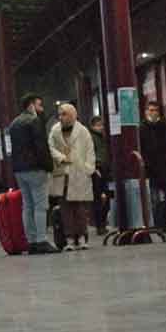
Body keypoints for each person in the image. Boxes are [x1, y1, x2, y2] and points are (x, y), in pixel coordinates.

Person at [8, 93, 59, 255]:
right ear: (31, 105)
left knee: (27, 206)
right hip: (36, 169)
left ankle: (31, 241)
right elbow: (40, 147)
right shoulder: (34, 121)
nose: (41, 108)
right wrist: (48, 166)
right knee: (40, 206)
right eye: (39, 105)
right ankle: (41, 240)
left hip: (19, 170)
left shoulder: (14, 123)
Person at [49, 103, 96, 251]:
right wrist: (61, 158)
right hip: (62, 173)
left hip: (79, 172)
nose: (60, 117)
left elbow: (90, 150)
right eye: (59, 114)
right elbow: (50, 147)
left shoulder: (83, 131)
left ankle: (82, 237)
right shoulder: (54, 131)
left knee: (81, 208)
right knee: (65, 209)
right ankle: (69, 239)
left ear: (72, 115)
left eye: (64, 114)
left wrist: (89, 168)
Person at [139, 101, 166, 232]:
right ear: (146, 112)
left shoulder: (165, 127)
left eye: (155, 110)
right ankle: (159, 224)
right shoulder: (142, 129)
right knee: (155, 200)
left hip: (165, 168)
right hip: (151, 170)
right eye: (150, 110)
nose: (153, 113)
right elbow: (142, 149)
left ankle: (164, 221)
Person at [89, 116, 111, 236]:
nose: (101, 127)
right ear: (93, 126)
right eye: (98, 125)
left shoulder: (101, 137)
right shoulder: (92, 137)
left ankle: (102, 224)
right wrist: (95, 167)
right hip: (97, 170)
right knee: (99, 199)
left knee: (104, 198)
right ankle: (99, 225)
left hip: (103, 169)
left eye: (101, 125)